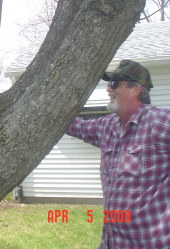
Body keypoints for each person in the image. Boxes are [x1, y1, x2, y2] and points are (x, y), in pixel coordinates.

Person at [66, 59, 169, 249]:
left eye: (114, 84)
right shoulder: (108, 126)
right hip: (112, 242)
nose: (108, 89)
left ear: (135, 89)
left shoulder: (158, 122)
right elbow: (72, 125)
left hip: (149, 243)